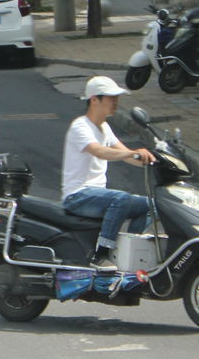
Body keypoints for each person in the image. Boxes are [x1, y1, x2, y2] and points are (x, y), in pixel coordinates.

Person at [61, 75, 156, 270]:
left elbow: (126, 155)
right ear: (95, 99)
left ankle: (126, 252)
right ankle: (101, 254)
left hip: (96, 195)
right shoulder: (81, 126)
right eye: (111, 98)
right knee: (120, 198)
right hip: (78, 195)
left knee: (149, 205)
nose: (115, 102)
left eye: (116, 98)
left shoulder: (104, 127)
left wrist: (153, 160)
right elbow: (99, 150)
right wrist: (132, 153)